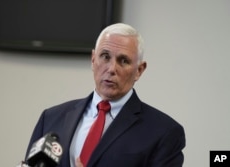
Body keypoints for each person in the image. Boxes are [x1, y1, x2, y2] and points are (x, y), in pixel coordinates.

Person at [25, 23, 186, 167]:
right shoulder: (51, 118)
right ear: (93, 60)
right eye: (105, 57)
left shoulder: (164, 133)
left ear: (139, 70)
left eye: (123, 61)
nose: (111, 69)